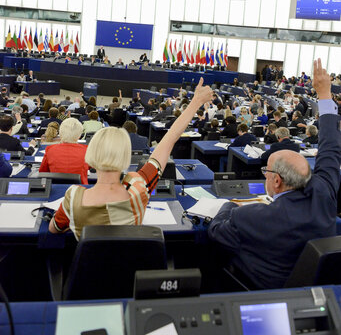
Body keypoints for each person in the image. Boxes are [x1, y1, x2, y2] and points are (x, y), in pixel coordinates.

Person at [208, 59, 341, 289]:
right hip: (316, 293)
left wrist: (230, 206)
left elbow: (216, 232)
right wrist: (325, 95)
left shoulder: (253, 217)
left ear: (277, 181)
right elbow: (330, 148)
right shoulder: (324, 193)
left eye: (266, 172)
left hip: (262, 293)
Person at [49, 77, 213, 239]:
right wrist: (196, 102)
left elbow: (54, 229)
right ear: (125, 155)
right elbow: (170, 139)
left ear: (91, 153)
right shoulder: (138, 187)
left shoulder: (73, 197)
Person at [39, 118, 88, 184]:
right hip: (80, 190)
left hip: (56, 189)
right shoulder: (86, 150)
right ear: (79, 136)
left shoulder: (50, 149)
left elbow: (42, 172)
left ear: (60, 133)